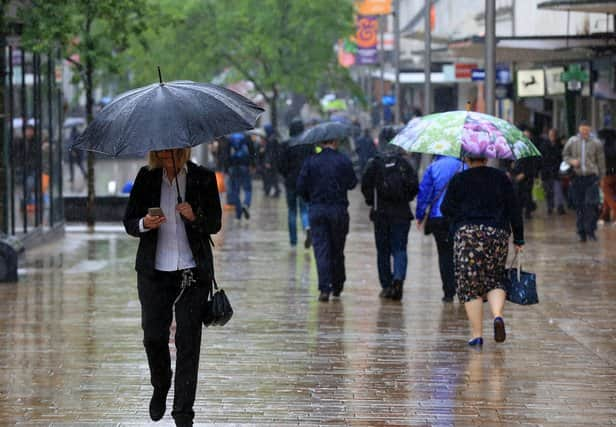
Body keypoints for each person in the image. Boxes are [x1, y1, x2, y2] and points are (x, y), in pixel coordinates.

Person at [123, 148, 222, 427]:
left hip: (192, 273)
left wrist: (195, 216)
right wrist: (145, 223)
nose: (168, 157)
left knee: (188, 344)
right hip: (154, 274)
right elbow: (129, 221)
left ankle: (183, 413)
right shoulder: (146, 178)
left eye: (174, 152)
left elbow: (215, 222)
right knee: (153, 338)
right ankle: (161, 384)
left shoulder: (203, 177)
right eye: (163, 153)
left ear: (184, 150)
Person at [441, 154, 524, 347]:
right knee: (495, 278)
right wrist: (518, 238)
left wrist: (460, 217)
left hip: (468, 235)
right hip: (497, 233)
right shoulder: (501, 177)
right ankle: (497, 316)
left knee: (470, 285)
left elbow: (446, 209)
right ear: (486, 158)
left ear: (467, 159)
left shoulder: (459, 179)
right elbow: (514, 208)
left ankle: (477, 335)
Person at [297, 136, 358, 302]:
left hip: (317, 210)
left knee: (321, 250)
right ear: (335, 141)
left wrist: (312, 197)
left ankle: (325, 288)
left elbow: (300, 187)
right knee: (337, 249)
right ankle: (337, 285)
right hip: (338, 210)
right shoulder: (343, 160)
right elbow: (353, 183)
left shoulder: (311, 161)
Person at [361, 145, 418, 301]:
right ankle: (398, 278)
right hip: (401, 213)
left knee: (383, 251)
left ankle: (386, 286)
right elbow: (414, 186)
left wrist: (371, 202)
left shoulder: (374, 163)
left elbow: (365, 185)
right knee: (400, 248)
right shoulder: (404, 164)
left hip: (381, 214)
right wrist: (406, 198)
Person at [415, 155, 465, 302]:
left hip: (438, 217)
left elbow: (424, 193)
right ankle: (463, 289)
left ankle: (448, 292)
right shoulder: (463, 166)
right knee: (461, 254)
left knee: (444, 254)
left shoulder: (433, 167)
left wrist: (420, 215)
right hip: (459, 219)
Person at [562, 120, 606, 241]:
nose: (584, 132)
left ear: (590, 129)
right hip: (577, 177)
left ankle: (591, 230)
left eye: (587, 129)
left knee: (592, 205)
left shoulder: (596, 143)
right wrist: (571, 161)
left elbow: (601, 161)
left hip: (592, 177)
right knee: (580, 205)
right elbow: (565, 155)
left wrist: (602, 177)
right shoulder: (572, 141)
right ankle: (581, 231)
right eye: (582, 129)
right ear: (579, 129)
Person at [279, 118, 313, 247]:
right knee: (305, 209)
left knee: (292, 211)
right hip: (305, 182)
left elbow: (280, 165)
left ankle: (293, 242)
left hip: (290, 182)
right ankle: (307, 226)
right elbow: (312, 162)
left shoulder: (286, 145)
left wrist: (287, 175)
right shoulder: (309, 144)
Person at [539, 128, 566, 215]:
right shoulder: (543, 145)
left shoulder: (560, 145)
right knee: (548, 190)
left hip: (556, 171)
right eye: (551, 135)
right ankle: (550, 206)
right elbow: (541, 158)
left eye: (554, 135)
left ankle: (560, 207)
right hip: (546, 172)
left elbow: (562, 156)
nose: (552, 137)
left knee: (558, 189)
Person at [227, 132, 253, 220]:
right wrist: (252, 164)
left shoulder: (230, 138)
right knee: (247, 189)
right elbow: (252, 152)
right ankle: (246, 204)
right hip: (245, 166)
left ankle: (238, 213)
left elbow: (226, 154)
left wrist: (227, 167)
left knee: (235, 190)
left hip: (233, 167)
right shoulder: (247, 137)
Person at [598, 128, 616, 225]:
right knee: (607, 197)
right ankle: (604, 217)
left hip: (607, 175)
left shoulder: (604, 148)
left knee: (609, 197)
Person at [263, 124, 281, 197]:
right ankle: (275, 190)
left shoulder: (271, 139)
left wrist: (268, 161)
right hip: (275, 161)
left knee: (271, 176)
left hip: (272, 162)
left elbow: (270, 152)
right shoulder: (273, 138)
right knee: (273, 176)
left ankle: (271, 190)